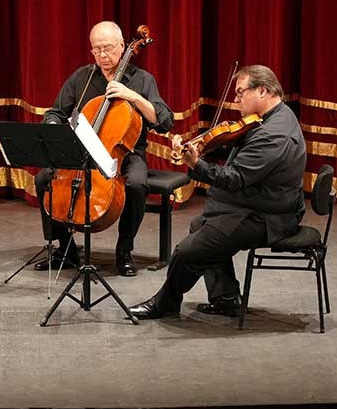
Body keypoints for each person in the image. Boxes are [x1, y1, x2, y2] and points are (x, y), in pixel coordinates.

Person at [129, 64, 306, 319]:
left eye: (241, 92)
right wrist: (200, 147)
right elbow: (240, 148)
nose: (237, 100)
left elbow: (235, 178)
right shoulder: (273, 117)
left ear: (263, 91)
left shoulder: (273, 135)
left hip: (268, 216)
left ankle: (165, 303)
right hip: (261, 204)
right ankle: (226, 298)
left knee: (187, 251)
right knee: (200, 224)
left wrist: (196, 164)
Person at [33, 21, 174, 277]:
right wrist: (53, 126)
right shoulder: (82, 78)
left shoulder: (142, 79)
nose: (103, 56)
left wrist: (133, 96)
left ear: (122, 46)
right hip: (83, 150)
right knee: (44, 178)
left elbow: (164, 121)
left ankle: (124, 250)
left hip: (126, 153)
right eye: (96, 50)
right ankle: (66, 249)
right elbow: (55, 112)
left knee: (136, 185)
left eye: (108, 49)